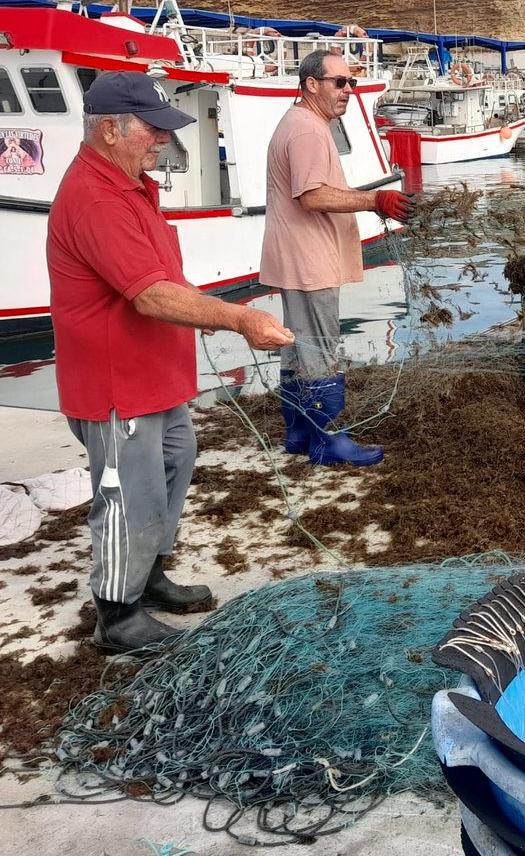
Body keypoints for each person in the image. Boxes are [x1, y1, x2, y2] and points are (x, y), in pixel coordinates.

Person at [48, 72, 294, 656]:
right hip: (117, 384)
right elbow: (150, 295)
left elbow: (164, 283)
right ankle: (117, 614)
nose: (162, 140)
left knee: (172, 466)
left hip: (156, 378)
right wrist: (239, 319)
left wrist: (211, 315)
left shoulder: (131, 184)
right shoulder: (96, 198)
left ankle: (148, 576)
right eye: (152, 130)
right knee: (126, 494)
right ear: (111, 130)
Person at [260, 49, 410, 466]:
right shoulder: (307, 130)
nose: (348, 90)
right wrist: (375, 199)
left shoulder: (302, 121)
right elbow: (313, 196)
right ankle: (327, 440)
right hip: (308, 259)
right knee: (320, 348)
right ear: (312, 84)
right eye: (339, 82)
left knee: (297, 346)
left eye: (352, 83)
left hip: (296, 256)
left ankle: (298, 433)